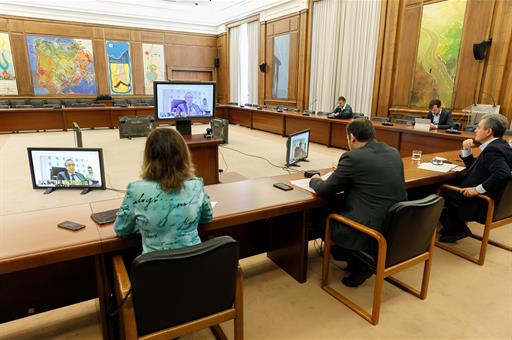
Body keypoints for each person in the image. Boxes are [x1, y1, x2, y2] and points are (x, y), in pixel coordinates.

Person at [309, 119, 407, 287]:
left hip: (367, 229)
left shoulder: (353, 157)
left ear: (352, 137)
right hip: (394, 225)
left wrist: (314, 179)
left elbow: (325, 189)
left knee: (319, 220)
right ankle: (354, 257)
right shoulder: (393, 151)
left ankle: (358, 261)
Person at [114, 128, 213, 254]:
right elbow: (207, 218)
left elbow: (121, 230)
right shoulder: (196, 185)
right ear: (184, 155)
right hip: (194, 266)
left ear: (148, 156)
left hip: (156, 270)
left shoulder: (135, 190)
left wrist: (143, 224)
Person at [438, 114, 512, 243]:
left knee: (435, 190)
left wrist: (477, 190)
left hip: (479, 203)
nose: (475, 130)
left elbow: (503, 173)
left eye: (478, 127)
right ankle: (453, 226)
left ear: (488, 131)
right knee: (448, 186)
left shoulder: (492, 150)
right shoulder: (502, 145)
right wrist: (466, 150)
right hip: (495, 202)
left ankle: (457, 228)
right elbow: (480, 168)